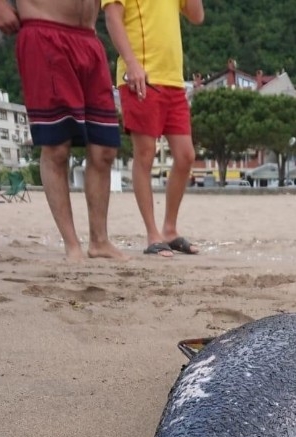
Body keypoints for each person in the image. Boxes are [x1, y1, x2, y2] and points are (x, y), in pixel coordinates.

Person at [0, 0, 128, 262]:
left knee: (104, 147)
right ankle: (72, 244)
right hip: (45, 31)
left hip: (89, 38)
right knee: (56, 146)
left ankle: (100, 241)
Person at [103, 0, 204, 258]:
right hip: (141, 77)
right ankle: (152, 234)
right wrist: (131, 62)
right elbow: (113, 18)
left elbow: (196, 16)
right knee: (145, 154)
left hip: (173, 79)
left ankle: (169, 229)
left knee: (186, 155)